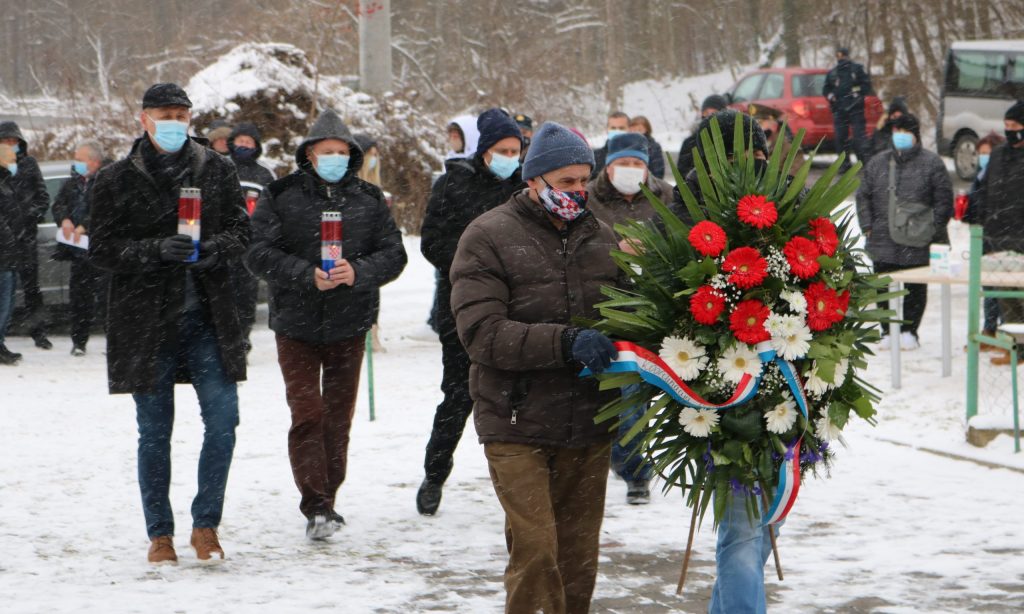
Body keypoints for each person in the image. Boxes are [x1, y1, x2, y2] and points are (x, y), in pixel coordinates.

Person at [451, 121, 621, 614]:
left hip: (588, 419)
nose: (577, 192)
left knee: (578, 558)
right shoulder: (488, 236)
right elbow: (481, 333)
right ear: (533, 181)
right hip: (515, 419)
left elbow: (629, 315)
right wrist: (565, 342)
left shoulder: (601, 235)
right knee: (536, 551)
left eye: (583, 181)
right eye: (565, 182)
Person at [88, 83, 251, 565]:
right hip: (145, 323)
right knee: (154, 431)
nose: (175, 121)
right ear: (144, 119)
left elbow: (242, 231)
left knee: (223, 421)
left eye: (182, 113)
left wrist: (212, 251)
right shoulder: (117, 178)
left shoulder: (216, 168)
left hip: (208, 315)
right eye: (165, 113)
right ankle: (160, 532)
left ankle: (206, 524)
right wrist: (154, 251)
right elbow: (101, 249)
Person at [247, 108, 407, 540]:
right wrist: (303, 273)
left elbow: (394, 254)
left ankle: (327, 500)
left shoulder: (369, 200)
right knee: (307, 413)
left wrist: (358, 271)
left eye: (341, 152)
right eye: (326, 151)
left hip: (349, 322)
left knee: (337, 418)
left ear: (351, 156)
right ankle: (313, 502)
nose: (334, 158)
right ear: (309, 155)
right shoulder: (280, 195)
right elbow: (257, 251)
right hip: (295, 323)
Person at [668, 109, 781, 614]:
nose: (750, 168)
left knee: (760, 525)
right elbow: (671, 294)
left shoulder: (784, 200)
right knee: (742, 526)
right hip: (718, 390)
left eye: (758, 156)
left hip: (784, 388)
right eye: (738, 157)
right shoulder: (690, 207)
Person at [417, 108, 525, 516]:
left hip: (517, 308)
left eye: (516, 150)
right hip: (461, 306)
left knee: (515, 399)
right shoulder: (452, 186)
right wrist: (473, 267)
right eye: (502, 149)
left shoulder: (526, 187)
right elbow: (432, 242)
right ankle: (434, 473)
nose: (509, 157)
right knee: (459, 395)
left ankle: (517, 481)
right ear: (484, 151)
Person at [586, 131, 672, 506]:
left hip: (652, 307)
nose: (630, 170)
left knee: (634, 391)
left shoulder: (666, 197)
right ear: (608, 166)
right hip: (602, 305)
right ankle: (611, 459)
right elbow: (578, 245)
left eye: (637, 163)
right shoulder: (588, 199)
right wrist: (613, 250)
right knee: (605, 392)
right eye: (623, 163)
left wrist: (653, 251)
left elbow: (684, 239)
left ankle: (635, 471)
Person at [856, 113, 953, 350]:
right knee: (881, 286)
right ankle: (886, 330)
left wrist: (932, 227)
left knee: (915, 287)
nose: (899, 135)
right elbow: (863, 196)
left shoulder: (932, 163)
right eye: (895, 130)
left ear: (915, 135)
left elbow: (943, 200)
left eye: (904, 131)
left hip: (917, 239)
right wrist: (867, 225)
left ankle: (910, 330)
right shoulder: (878, 163)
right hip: (881, 237)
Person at [970, 101, 1024, 365]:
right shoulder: (999, 155)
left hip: (1021, 239)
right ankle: (1016, 347)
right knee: (1006, 298)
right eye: (1007, 126)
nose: (1010, 130)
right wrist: (983, 228)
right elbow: (984, 193)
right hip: (997, 238)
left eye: (1014, 126)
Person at [51, 141, 108, 356]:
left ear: (94, 161)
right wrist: (64, 219)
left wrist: (86, 224)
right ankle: (79, 342)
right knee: (79, 300)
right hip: (77, 252)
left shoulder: (105, 181)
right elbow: (58, 205)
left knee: (106, 300)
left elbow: (107, 210)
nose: (77, 163)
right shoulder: (71, 183)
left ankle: (114, 342)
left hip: (101, 251)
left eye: (80, 159)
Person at [0, 120, 52, 350]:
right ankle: (4, 336)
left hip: (27, 239)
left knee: (32, 289)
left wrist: (29, 216)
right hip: (4, 240)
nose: (11, 145)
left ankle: (39, 332)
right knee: (5, 290)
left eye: (14, 141)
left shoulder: (29, 164)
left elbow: (43, 198)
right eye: (6, 141)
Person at [227, 122, 275, 354]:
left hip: (251, 244)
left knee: (246, 296)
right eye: (240, 140)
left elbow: (274, 208)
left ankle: (242, 341)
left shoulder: (264, 173)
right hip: (223, 242)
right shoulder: (221, 166)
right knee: (223, 294)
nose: (244, 145)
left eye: (249, 141)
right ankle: (224, 341)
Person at [963, 132, 1006, 351]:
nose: (983, 158)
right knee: (988, 287)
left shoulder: (1002, 176)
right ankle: (989, 329)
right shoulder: (980, 175)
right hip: (982, 236)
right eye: (980, 154)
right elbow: (976, 204)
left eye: (987, 154)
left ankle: (1006, 332)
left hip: (1000, 236)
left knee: (1003, 289)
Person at [355, 133, 388, 353]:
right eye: (370, 155)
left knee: (372, 293)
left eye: (376, 155)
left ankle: (372, 333)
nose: (374, 159)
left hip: (372, 252)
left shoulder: (375, 190)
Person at [823, 46, 873, 171]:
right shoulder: (833, 73)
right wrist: (831, 96)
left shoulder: (857, 70)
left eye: (843, 56)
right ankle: (844, 165)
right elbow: (826, 89)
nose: (841, 58)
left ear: (847, 55)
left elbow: (866, 85)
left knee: (859, 138)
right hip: (839, 110)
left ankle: (864, 163)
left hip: (856, 109)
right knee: (840, 138)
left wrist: (856, 93)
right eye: (839, 56)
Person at [0, 144, 21, 364]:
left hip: (9, 255)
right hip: (3, 255)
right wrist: (10, 237)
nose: (15, 162)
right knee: (3, 304)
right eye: (12, 158)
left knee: (7, 304)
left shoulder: (6, 182)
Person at [677, 94, 729, 178]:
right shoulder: (690, 142)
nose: (708, 116)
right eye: (706, 112)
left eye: (714, 112)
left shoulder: (729, 139)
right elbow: (682, 172)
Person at [749, 103, 806, 173]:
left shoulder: (791, 151)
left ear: (774, 125)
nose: (756, 127)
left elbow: (793, 180)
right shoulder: (750, 147)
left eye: (760, 123)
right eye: (754, 123)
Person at [591, 110, 630, 179]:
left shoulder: (638, 157)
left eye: (621, 128)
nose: (617, 131)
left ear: (629, 129)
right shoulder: (595, 156)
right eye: (613, 128)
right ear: (607, 129)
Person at [627, 115, 666, 179]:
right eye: (633, 129)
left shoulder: (653, 147)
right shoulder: (624, 145)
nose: (635, 132)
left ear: (646, 130)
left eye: (639, 130)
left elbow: (658, 170)